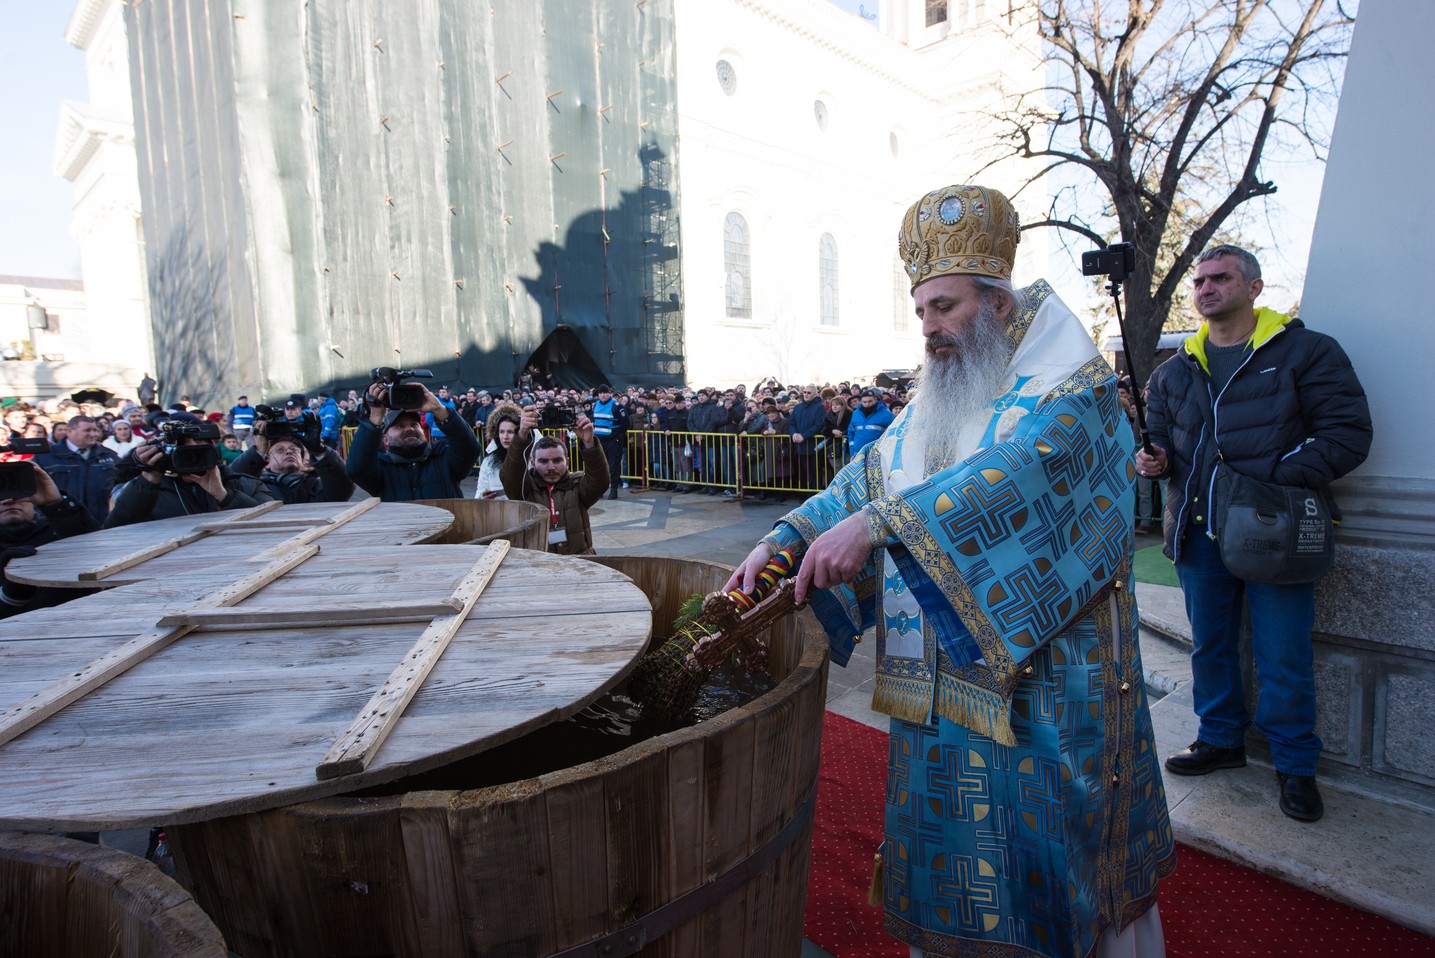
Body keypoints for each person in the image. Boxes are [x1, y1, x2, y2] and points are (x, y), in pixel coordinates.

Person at [726, 184, 1172, 957]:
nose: (930, 328)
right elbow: (867, 477)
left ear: (998, 305)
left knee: (1045, 854)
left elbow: (1017, 474)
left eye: (945, 307)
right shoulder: (937, 395)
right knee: (954, 846)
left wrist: (882, 525)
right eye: (922, 311)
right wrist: (785, 539)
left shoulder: (1075, 388)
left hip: (1046, 675)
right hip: (938, 674)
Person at [1137, 244, 1372, 824]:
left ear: (1254, 287)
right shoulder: (1175, 370)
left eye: (1221, 278)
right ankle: (1220, 739)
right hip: (1198, 535)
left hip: (1278, 535)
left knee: (1283, 655)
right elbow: (1162, 446)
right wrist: (1152, 461)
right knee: (1210, 647)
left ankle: (1295, 765)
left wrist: (1266, 484)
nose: (1206, 289)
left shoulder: (1306, 352)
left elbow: (1346, 434)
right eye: (1200, 281)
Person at [106, 412, 277, 527]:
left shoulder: (246, 485)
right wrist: (149, 479)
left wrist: (224, 496)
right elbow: (116, 531)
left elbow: (273, 526)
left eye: (198, 443)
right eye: (182, 445)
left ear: (212, 447)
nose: (191, 451)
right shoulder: (147, 493)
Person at [346, 380, 481, 501]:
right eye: (399, 426)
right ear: (385, 439)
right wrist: (375, 416)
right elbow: (356, 469)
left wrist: (438, 409)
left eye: (414, 424)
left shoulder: (442, 458)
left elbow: (470, 448)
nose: (409, 429)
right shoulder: (381, 469)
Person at [500, 407, 606, 555]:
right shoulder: (526, 489)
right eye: (543, 461)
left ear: (567, 461)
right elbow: (510, 478)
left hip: (580, 564)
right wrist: (521, 435)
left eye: (557, 460)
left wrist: (589, 444)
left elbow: (600, 481)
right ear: (533, 462)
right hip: (539, 566)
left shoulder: (577, 486)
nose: (551, 467)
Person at [0, 461, 99, 619]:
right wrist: (10, 597)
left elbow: (96, 551)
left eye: (13, 489)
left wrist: (56, 504)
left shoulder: (59, 530)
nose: (8, 500)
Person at [229, 419, 354, 504]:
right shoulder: (256, 488)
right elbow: (232, 481)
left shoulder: (316, 486)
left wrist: (320, 451)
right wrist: (259, 451)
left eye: (294, 450)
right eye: (279, 450)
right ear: (267, 461)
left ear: (301, 460)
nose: (289, 452)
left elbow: (343, 487)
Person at [34, 415, 121, 524]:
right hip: (60, 524)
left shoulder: (109, 456)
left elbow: (121, 485)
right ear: (70, 431)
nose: (93, 434)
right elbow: (34, 490)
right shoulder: (45, 457)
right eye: (87, 430)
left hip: (101, 523)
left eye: (95, 430)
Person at [474, 402, 522, 500]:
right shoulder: (488, 462)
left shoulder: (529, 457)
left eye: (510, 432)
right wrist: (483, 498)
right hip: (497, 512)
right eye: (502, 432)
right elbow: (479, 493)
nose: (505, 437)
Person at [590, 384, 629, 500]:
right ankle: (601, 490)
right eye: (600, 393)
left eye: (605, 393)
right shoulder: (595, 405)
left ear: (609, 394)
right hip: (599, 441)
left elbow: (626, 423)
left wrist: (616, 434)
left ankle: (613, 490)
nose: (602, 395)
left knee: (613, 466)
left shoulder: (616, 406)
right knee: (601, 466)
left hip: (613, 442)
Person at [846, 387, 894, 459]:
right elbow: (851, 432)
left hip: (878, 454)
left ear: (875, 399)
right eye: (864, 402)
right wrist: (852, 452)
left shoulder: (886, 414)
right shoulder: (856, 413)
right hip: (858, 453)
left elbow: (892, 433)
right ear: (861, 401)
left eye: (870, 401)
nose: (867, 404)